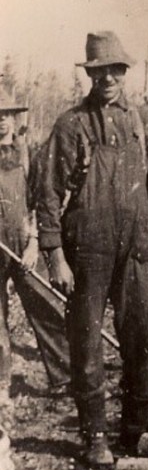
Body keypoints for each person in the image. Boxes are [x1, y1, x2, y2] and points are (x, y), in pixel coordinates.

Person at [37, 31, 148, 465]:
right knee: (87, 344)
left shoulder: (141, 121)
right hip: (87, 249)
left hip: (134, 247)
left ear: (124, 72)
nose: (108, 77)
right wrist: (54, 253)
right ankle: (95, 436)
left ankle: (134, 428)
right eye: (99, 70)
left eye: (115, 69)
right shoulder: (71, 123)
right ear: (89, 74)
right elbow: (48, 193)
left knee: (147, 336)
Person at [0, 89, 71, 398]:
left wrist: (32, 244)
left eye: (6, 115)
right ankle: (2, 383)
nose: (1, 122)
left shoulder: (28, 153)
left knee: (45, 307)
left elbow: (40, 203)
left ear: (15, 118)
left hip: (24, 244)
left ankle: (66, 377)